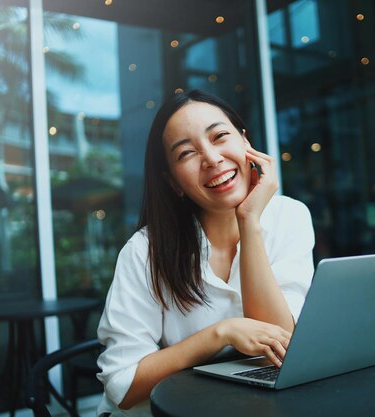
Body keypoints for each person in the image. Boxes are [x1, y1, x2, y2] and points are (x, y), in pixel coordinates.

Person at [96, 90, 315, 416]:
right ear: (173, 182)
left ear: (245, 142)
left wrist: (249, 221)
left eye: (220, 136)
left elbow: (281, 346)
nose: (212, 158)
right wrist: (219, 334)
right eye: (186, 153)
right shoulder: (144, 251)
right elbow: (123, 386)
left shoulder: (289, 217)